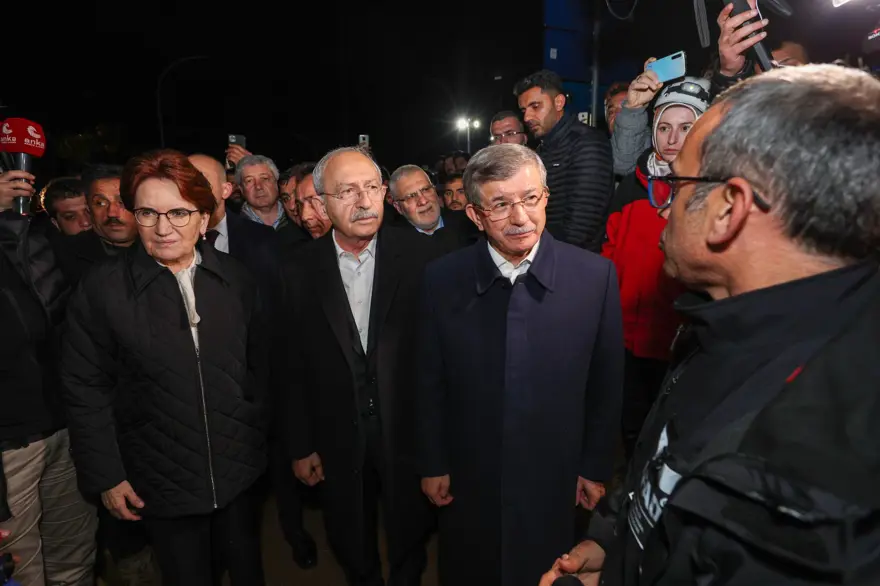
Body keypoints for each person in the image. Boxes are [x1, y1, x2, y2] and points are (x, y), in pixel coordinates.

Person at [543, 64, 880, 586]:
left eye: (678, 182)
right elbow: (664, 471)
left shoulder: (806, 478)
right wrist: (615, 542)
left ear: (728, 210)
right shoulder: (719, 328)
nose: (666, 198)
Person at [416, 144, 624, 586]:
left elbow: (606, 385)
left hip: (557, 473)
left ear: (546, 196)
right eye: (500, 204)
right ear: (474, 215)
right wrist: (433, 462)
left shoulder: (595, 277)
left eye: (530, 199)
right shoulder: (441, 279)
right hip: (470, 473)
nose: (520, 217)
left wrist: (594, 466)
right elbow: (428, 381)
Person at [61, 150, 270, 586]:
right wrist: (107, 474)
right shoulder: (103, 289)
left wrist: (254, 434)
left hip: (238, 474)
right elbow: (84, 386)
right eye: (148, 212)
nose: (163, 227)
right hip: (159, 480)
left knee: (247, 572)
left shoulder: (236, 279)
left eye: (178, 212)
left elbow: (258, 367)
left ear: (203, 216)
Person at [281, 146, 434, 586]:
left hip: (406, 429)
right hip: (334, 433)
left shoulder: (422, 258)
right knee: (348, 532)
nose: (364, 201)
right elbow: (289, 365)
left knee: (409, 527)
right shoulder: (295, 270)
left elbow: (439, 362)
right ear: (321, 201)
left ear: (385, 193)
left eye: (372, 188)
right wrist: (300, 444)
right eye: (347, 191)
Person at [602, 77, 710, 462]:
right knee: (632, 427)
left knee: (673, 435)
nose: (672, 137)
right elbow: (608, 253)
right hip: (627, 338)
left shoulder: (707, 191)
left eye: (685, 127)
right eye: (664, 126)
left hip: (678, 344)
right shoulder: (631, 186)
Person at [0, 169, 98, 586]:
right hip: (9, 447)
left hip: (62, 425)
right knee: (22, 568)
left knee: (73, 557)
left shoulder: (30, 235)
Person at [515, 69, 614, 252]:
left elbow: (580, 229)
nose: (527, 117)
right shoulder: (542, 149)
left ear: (559, 102)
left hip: (573, 264)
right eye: (524, 110)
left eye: (535, 106)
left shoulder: (588, 143)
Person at [388, 165, 480, 250]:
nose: (423, 201)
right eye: (411, 196)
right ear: (398, 208)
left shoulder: (471, 226)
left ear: (435, 191)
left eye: (426, 189)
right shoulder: (389, 245)